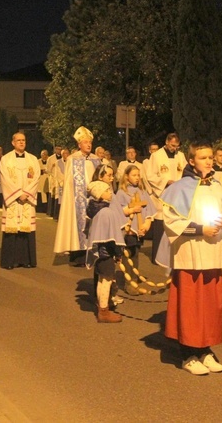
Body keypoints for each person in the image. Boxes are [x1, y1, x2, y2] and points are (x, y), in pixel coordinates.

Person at [157, 141, 222, 376]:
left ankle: (206, 350)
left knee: (210, 306)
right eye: (203, 158)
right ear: (191, 161)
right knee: (191, 306)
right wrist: (200, 229)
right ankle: (188, 354)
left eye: (210, 157)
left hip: (212, 254)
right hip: (190, 256)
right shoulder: (179, 188)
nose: (209, 161)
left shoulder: (217, 187)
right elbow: (171, 223)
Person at [54, 127, 101, 264]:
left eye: (90, 143)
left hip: (93, 198)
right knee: (78, 226)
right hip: (77, 200)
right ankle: (78, 256)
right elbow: (69, 182)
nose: (88, 145)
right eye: (85, 142)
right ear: (79, 144)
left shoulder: (96, 160)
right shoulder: (72, 160)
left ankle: (93, 253)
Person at [85, 164, 124, 322]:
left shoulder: (97, 210)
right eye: (107, 191)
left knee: (102, 280)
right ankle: (104, 311)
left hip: (100, 253)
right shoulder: (106, 212)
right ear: (100, 194)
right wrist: (118, 252)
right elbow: (110, 237)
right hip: (106, 253)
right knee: (107, 280)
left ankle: (102, 307)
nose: (110, 192)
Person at [0, 132, 40, 269]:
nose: (22, 142)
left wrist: (26, 194)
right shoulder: (6, 159)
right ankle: (10, 261)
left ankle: (26, 260)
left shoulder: (33, 159)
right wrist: (18, 194)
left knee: (26, 229)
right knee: (12, 230)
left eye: (23, 140)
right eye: (18, 140)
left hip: (27, 199)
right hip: (13, 199)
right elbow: (5, 179)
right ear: (13, 143)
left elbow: (36, 178)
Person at [145, 133, 187, 264]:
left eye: (176, 146)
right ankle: (157, 258)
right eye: (172, 145)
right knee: (161, 226)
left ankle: (174, 256)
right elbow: (150, 176)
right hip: (162, 195)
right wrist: (165, 182)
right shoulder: (156, 156)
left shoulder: (181, 156)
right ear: (167, 142)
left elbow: (186, 172)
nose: (174, 148)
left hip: (177, 196)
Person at [112, 164, 155, 293]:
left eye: (138, 175)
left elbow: (149, 209)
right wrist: (130, 210)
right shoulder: (121, 193)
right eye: (134, 175)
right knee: (128, 255)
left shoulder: (142, 192)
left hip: (139, 230)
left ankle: (134, 279)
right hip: (129, 229)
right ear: (126, 176)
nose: (137, 178)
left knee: (135, 254)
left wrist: (146, 225)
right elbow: (117, 210)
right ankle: (129, 283)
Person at [52, 147, 69, 220]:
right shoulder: (58, 162)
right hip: (61, 184)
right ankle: (57, 216)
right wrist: (63, 181)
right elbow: (57, 173)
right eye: (64, 153)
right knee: (60, 200)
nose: (66, 155)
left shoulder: (71, 162)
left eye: (67, 153)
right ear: (62, 154)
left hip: (69, 184)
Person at [45, 146, 62, 217]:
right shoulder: (50, 158)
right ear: (55, 150)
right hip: (53, 178)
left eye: (60, 149)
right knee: (52, 195)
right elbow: (47, 169)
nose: (59, 150)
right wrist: (52, 167)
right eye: (57, 149)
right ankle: (51, 212)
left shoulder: (63, 158)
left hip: (60, 178)